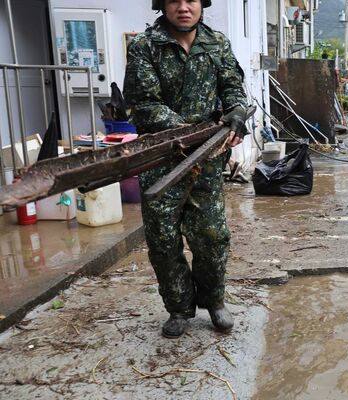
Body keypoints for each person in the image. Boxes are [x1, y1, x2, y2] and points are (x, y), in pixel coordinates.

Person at [124, 0, 248, 338]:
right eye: (175, 0)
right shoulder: (144, 47)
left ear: (201, 5)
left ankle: (214, 301)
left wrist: (236, 111)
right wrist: (189, 134)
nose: (183, 7)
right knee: (163, 241)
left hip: (206, 161)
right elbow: (144, 104)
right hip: (160, 160)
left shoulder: (217, 42)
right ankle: (179, 308)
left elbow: (232, 86)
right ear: (162, 5)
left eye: (191, 0)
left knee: (212, 236)